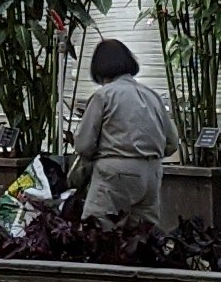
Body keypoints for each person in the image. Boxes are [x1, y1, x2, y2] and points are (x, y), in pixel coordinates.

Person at [66, 37, 174, 228]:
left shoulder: (104, 95)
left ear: (98, 69)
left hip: (115, 175)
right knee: (143, 236)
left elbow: (83, 145)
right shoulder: (152, 95)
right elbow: (172, 143)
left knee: (96, 230)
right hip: (152, 174)